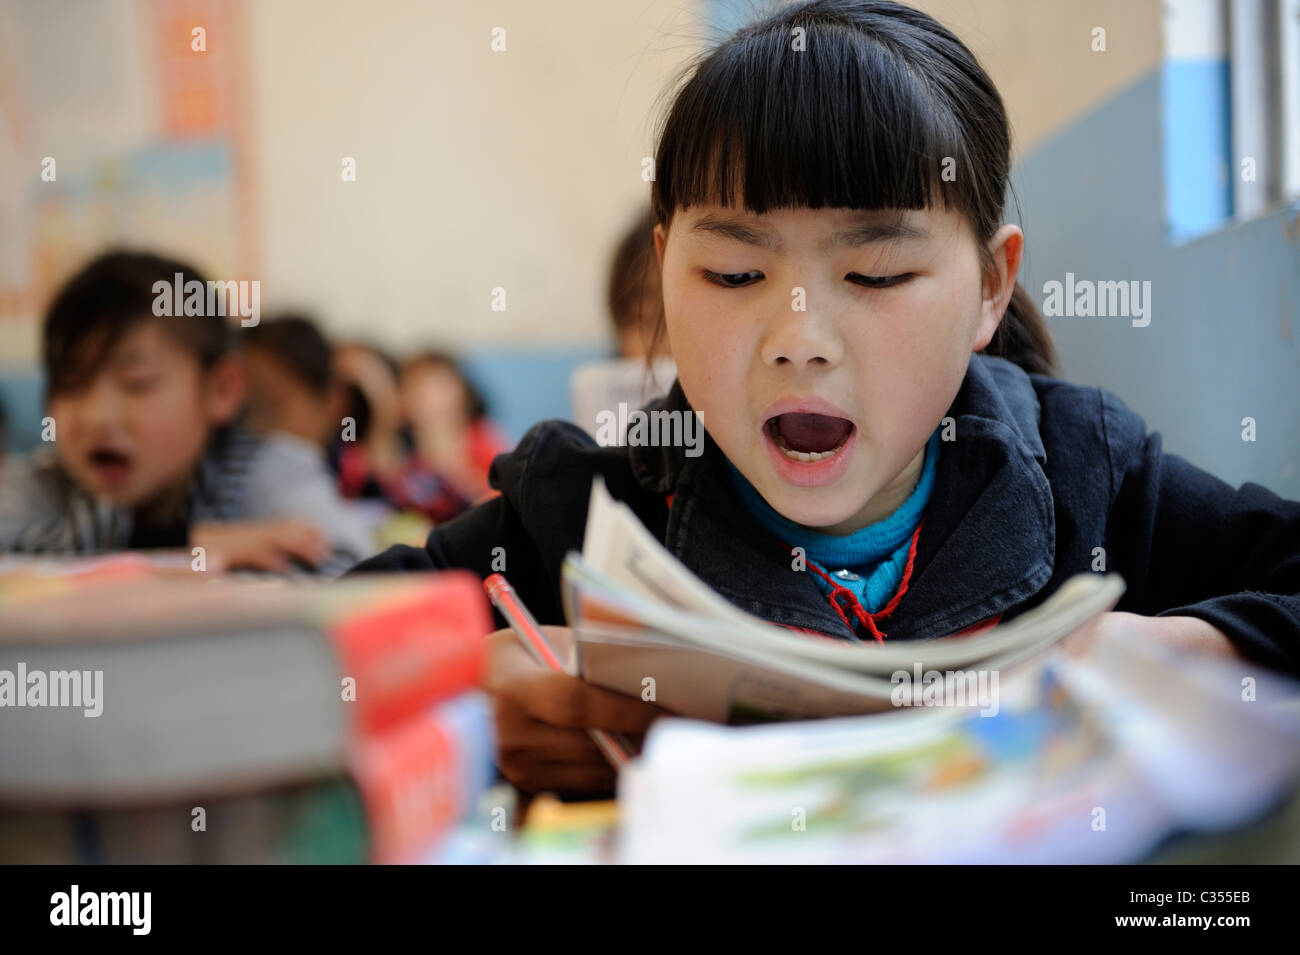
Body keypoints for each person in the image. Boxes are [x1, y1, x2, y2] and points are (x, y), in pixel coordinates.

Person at [351, 0, 1300, 795]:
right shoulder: (580, 515)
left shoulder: (1093, 480)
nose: (798, 340)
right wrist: (471, 693)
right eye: (730, 273)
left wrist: (1191, 650)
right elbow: (296, 658)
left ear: (988, 288)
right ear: (664, 268)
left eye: (878, 274)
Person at [0, 250, 373, 574]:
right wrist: (183, 548)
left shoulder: (265, 472)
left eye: (137, 383)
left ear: (221, 390)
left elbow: (357, 571)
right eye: (71, 384)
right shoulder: (41, 486)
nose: (97, 416)